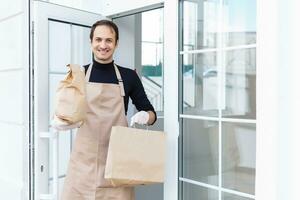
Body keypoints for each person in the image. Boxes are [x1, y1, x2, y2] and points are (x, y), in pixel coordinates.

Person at [57, 20, 157, 200]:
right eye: (98, 39)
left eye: (109, 40)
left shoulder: (129, 76)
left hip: (118, 163)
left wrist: (145, 116)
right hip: (83, 165)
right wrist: (62, 121)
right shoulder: (80, 75)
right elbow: (65, 109)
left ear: (116, 43)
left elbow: (151, 114)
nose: (103, 45)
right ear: (91, 42)